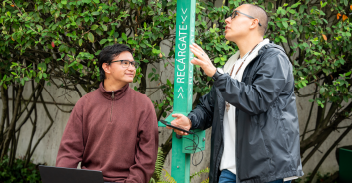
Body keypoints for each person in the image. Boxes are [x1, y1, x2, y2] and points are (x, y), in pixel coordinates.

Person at [167, 4, 303, 183]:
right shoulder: (232, 63)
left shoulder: (273, 58)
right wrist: (191, 121)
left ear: (253, 23)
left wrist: (216, 74)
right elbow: (210, 106)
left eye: (235, 15)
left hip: (266, 171)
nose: (227, 20)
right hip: (229, 170)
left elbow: (257, 100)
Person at [56, 44, 159, 183]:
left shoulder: (143, 104)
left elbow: (147, 157)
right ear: (106, 67)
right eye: (125, 63)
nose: (131, 68)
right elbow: (69, 151)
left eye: (133, 64)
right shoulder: (85, 103)